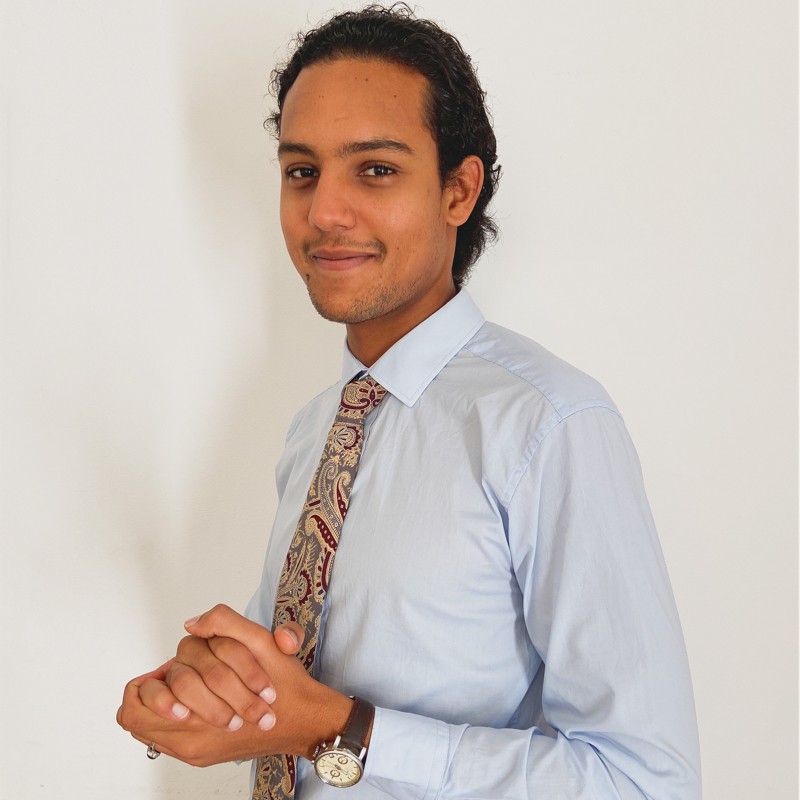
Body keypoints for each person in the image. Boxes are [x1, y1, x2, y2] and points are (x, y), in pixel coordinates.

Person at [117, 5, 702, 798]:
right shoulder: (314, 431)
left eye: (376, 170)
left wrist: (341, 730)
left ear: (459, 190)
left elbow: (646, 781)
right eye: (302, 171)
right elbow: (281, 699)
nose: (325, 212)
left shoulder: (548, 425)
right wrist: (206, 689)